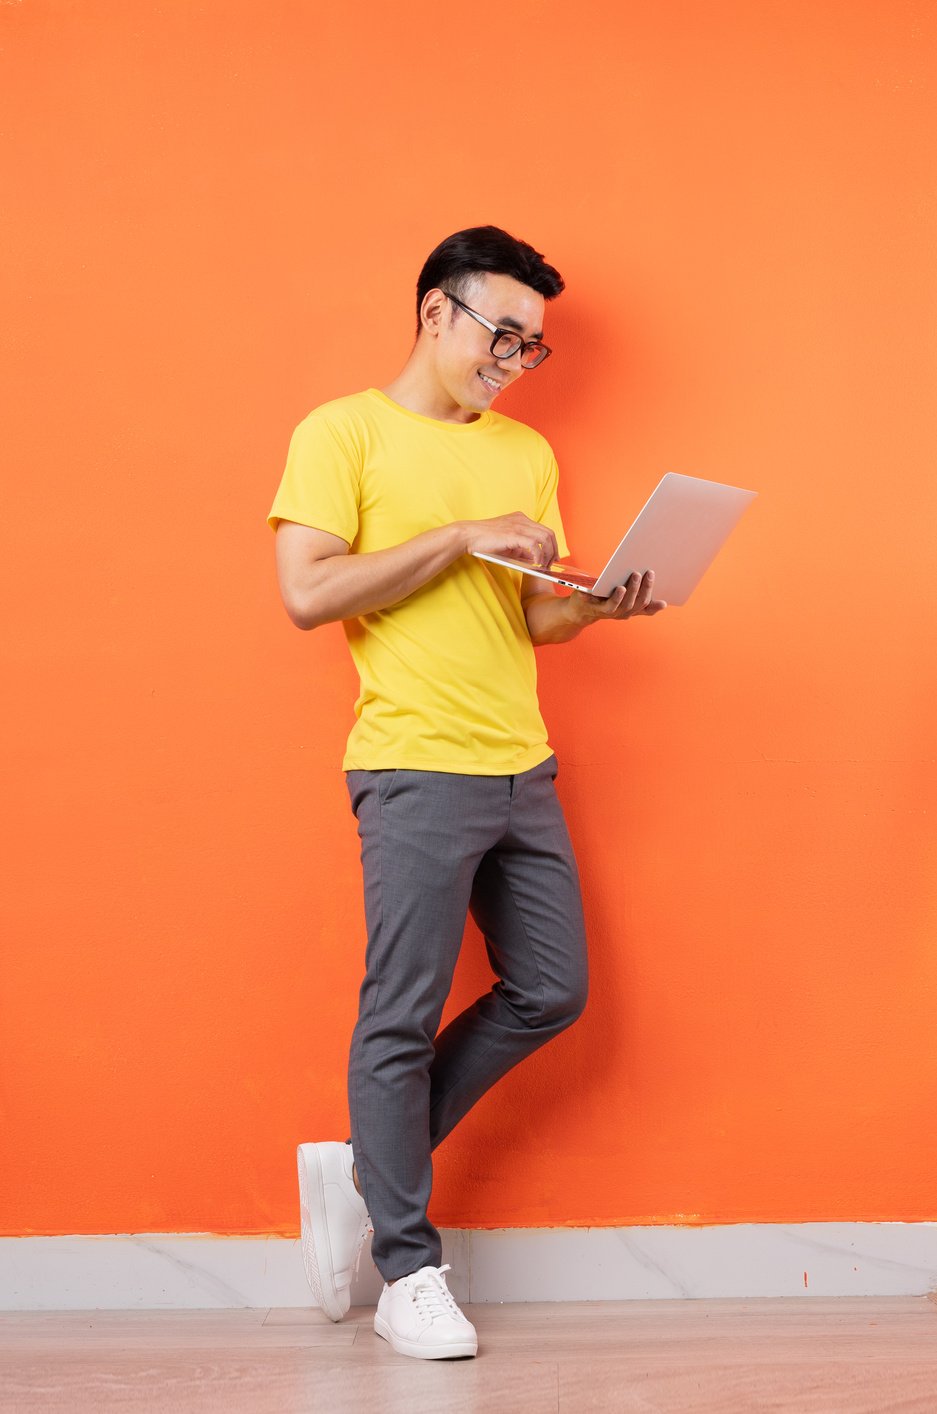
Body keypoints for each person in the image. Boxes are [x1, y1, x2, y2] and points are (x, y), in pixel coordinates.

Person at [268, 225, 666, 1361]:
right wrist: (456, 535)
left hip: (519, 760)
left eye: (531, 346)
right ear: (435, 312)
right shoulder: (341, 432)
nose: (513, 357)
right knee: (398, 1012)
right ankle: (405, 1266)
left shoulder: (525, 455)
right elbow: (306, 593)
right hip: (411, 761)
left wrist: (596, 605)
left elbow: (529, 615)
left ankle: (365, 1169)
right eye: (502, 332)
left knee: (551, 988)